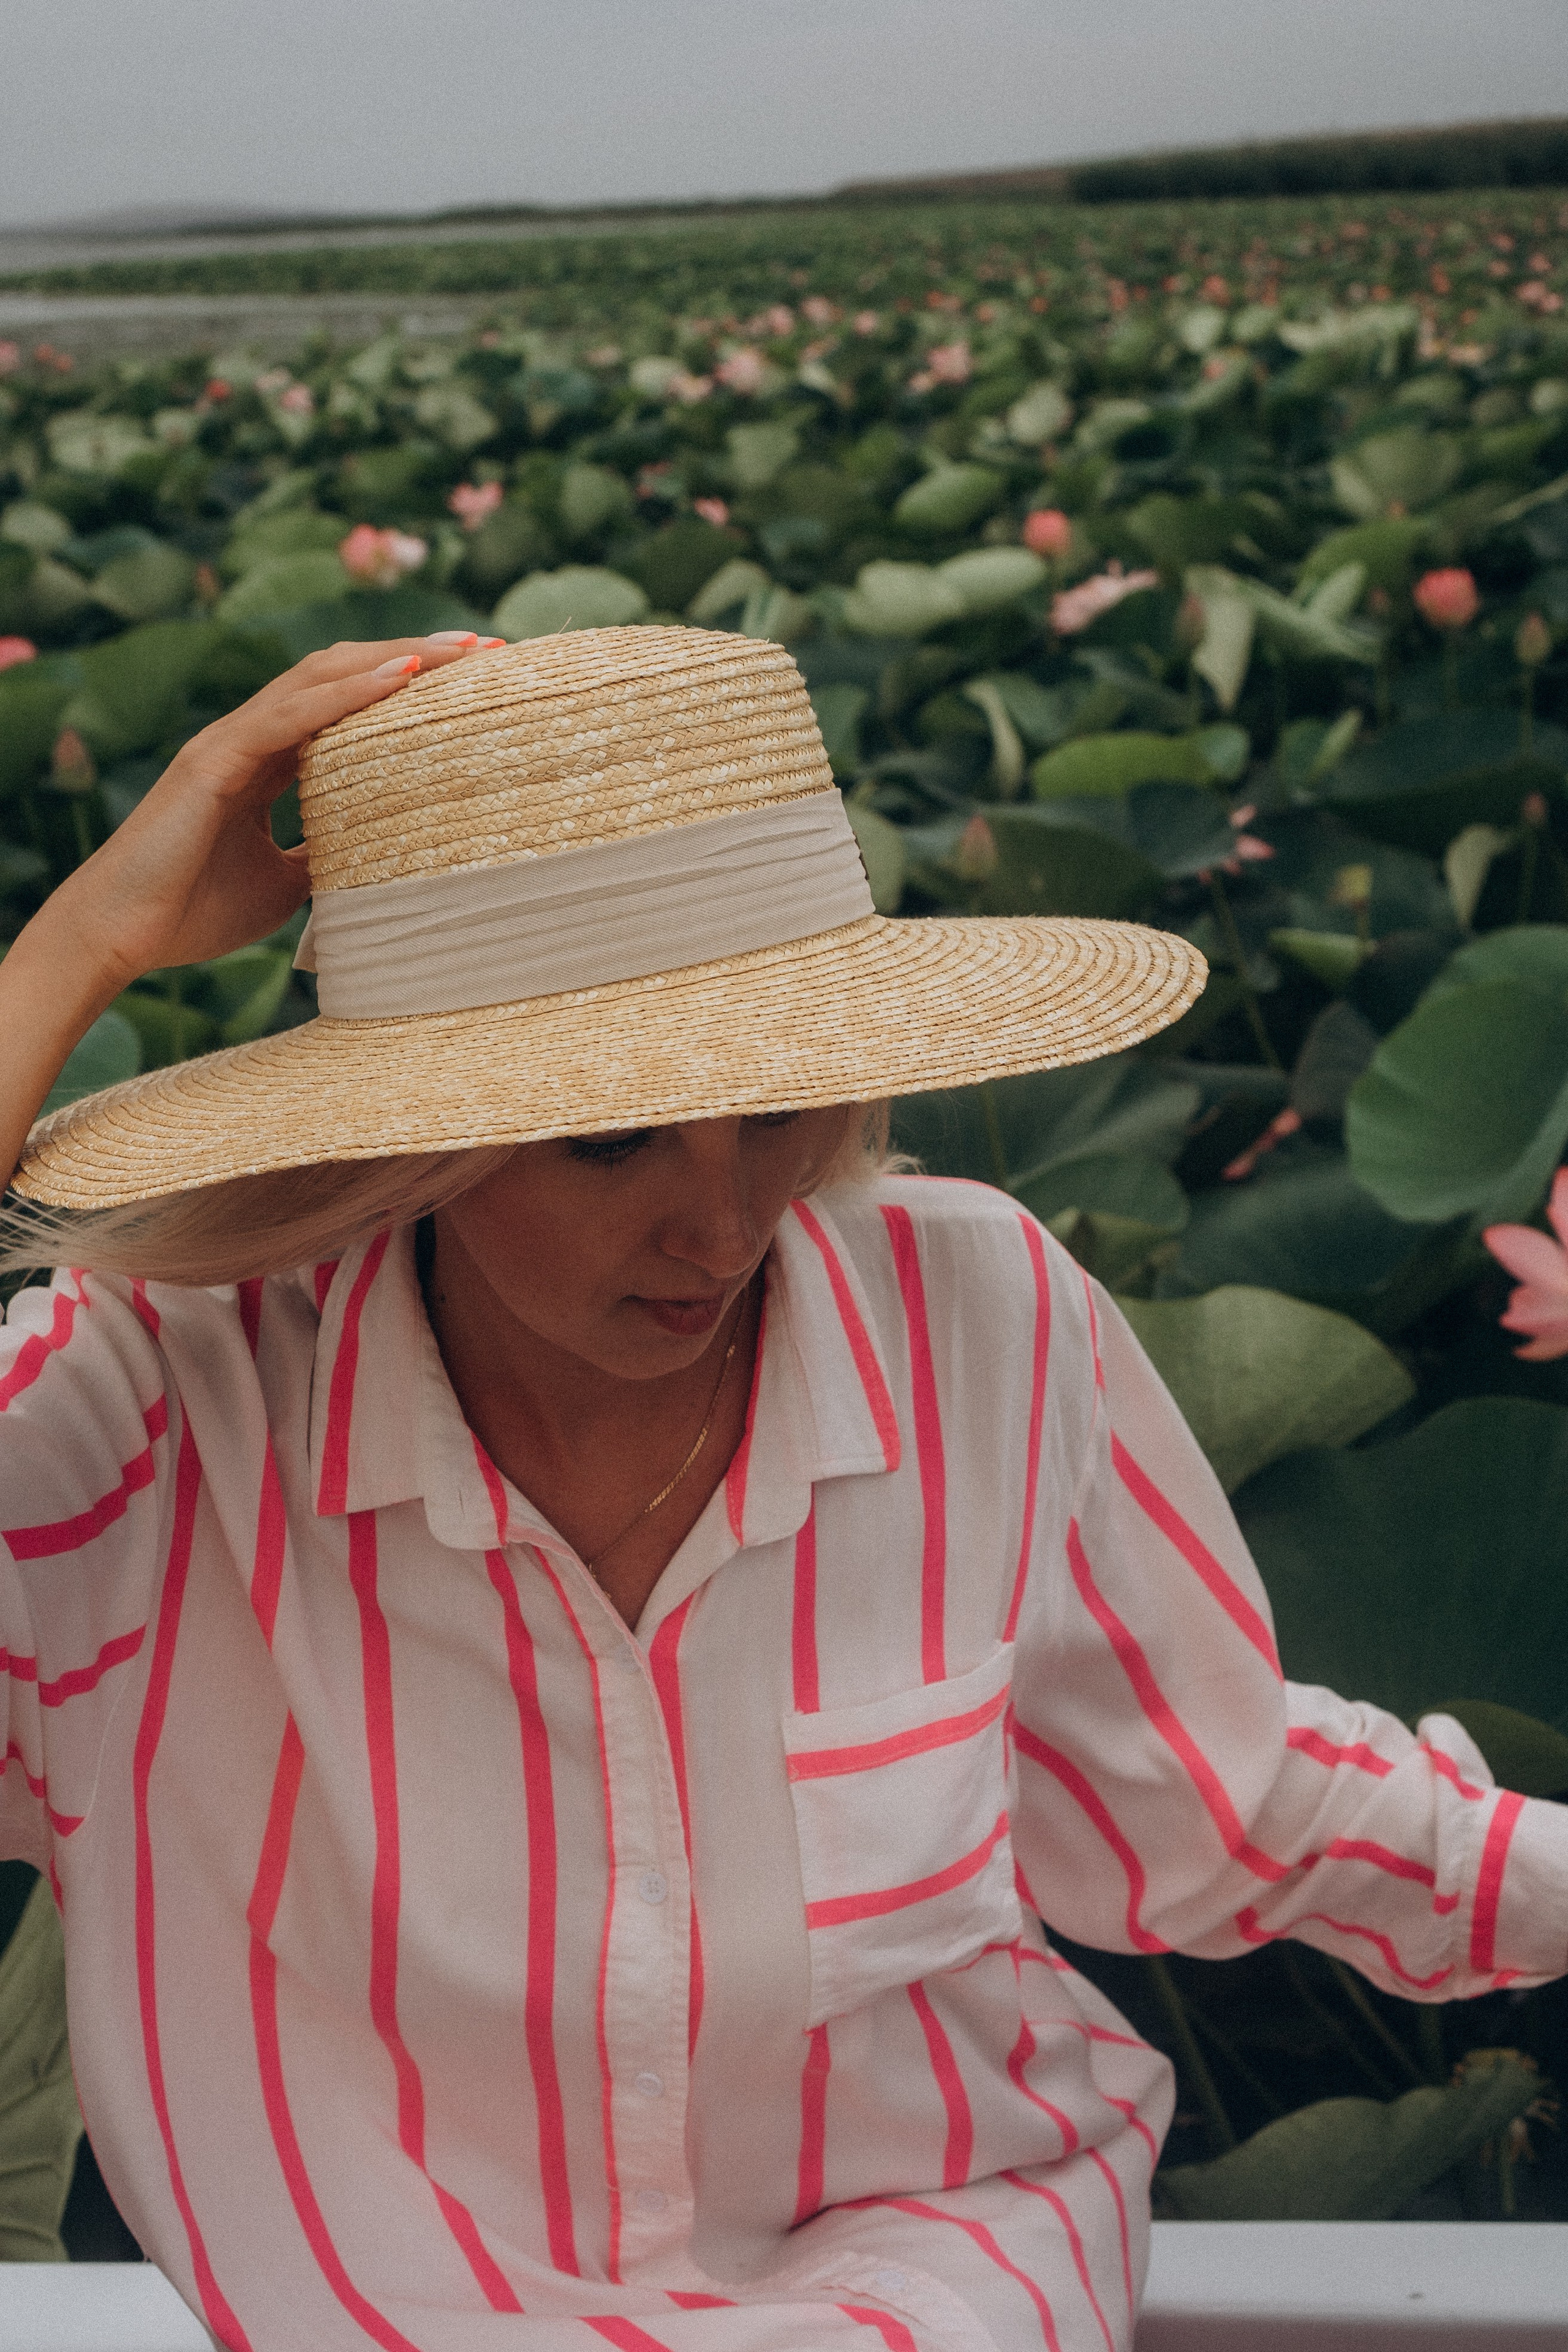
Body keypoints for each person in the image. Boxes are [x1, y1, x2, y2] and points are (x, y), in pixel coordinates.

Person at [0, 624, 1562, 2352]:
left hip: (934, 2270)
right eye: (611, 1139)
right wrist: (89, 936)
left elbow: (1227, 1797)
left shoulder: (979, 1311)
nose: (726, 1225)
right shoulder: (154, 1417)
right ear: (407, 1138)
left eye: (776, 1107)